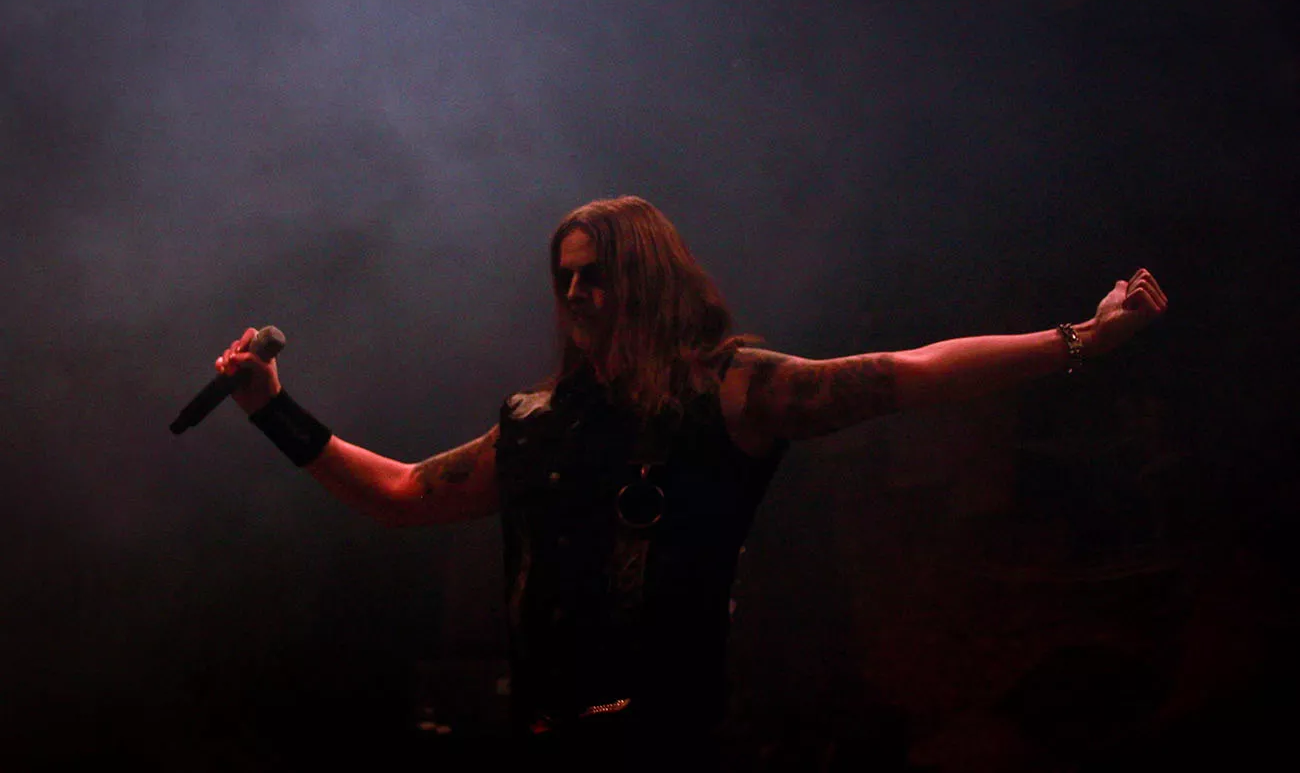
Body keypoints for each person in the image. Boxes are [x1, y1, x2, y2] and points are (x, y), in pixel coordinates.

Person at [214, 196, 1167, 769]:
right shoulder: (538, 422)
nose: (577, 294)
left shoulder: (733, 391)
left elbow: (907, 372)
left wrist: (1078, 339)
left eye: (596, 274)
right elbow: (400, 493)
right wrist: (270, 407)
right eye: (565, 277)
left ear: (648, 281)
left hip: (672, 741)